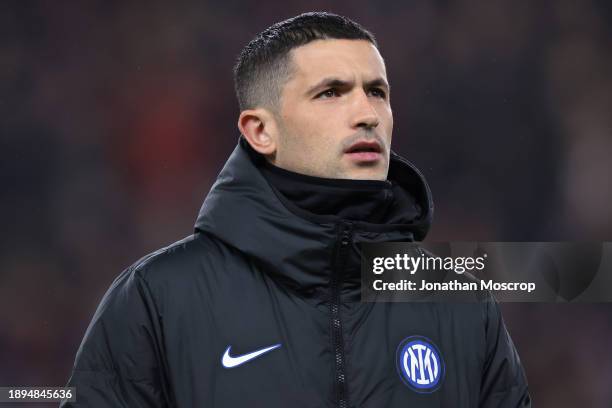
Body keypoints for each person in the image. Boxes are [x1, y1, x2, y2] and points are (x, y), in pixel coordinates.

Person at [62, 12, 531, 407]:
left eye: (377, 92)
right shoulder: (157, 300)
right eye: (331, 92)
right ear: (260, 130)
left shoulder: (458, 303)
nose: (366, 113)